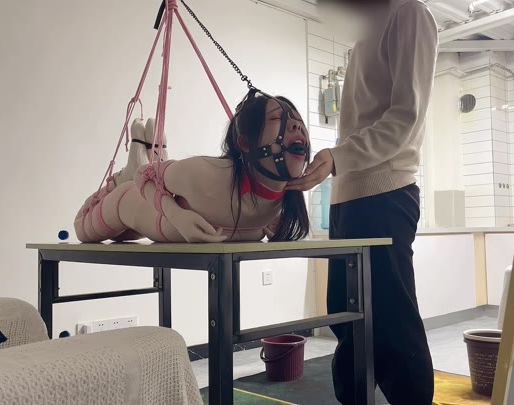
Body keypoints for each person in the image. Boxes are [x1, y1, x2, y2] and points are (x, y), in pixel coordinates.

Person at [286, 0, 439, 403]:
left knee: (393, 327)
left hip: (384, 195)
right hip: (347, 197)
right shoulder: (365, 33)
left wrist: (338, 157)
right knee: (347, 320)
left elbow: (406, 118)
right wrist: (336, 162)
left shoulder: (409, 13)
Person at [74, 90, 311, 243]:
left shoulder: (284, 200)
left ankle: (152, 158)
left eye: (298, 121)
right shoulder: (208, 175)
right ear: (245, 143)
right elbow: (144, 174)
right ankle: (124, 175)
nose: (296, 126)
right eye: (277, 118)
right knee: (82, 229)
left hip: (148, 216)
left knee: (123, 237)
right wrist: (176, 216)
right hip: (130, 202)